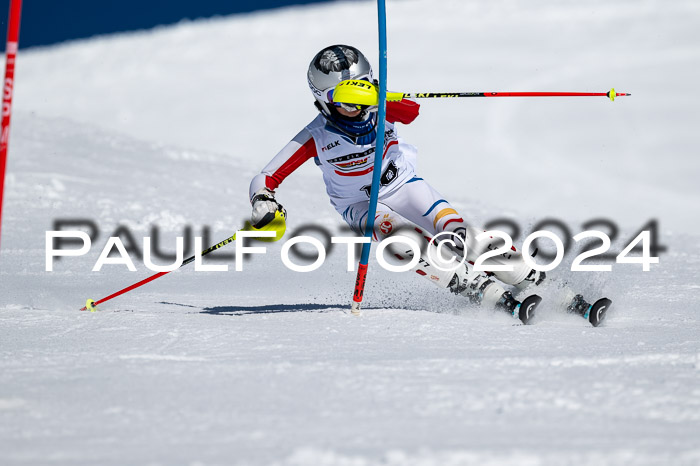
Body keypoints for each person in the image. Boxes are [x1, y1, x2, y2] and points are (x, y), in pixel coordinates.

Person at [248, 44, 547, 323]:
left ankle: (528, 275)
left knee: (460, 234)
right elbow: (266, 177)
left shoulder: (381, 107)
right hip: (360, 205)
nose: (355, 109)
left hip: (403, 186)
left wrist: (380, 96)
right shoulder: (317, 135)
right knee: (399, 238)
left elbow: (411, 112)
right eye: (343, 101)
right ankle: (476, 286)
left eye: (360, 95)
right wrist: (264, 202)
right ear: (324, 101)